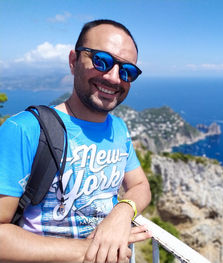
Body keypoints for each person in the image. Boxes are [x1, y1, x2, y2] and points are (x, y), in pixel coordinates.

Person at [0, 19, 152, 263]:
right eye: (102, 60)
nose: (114, 78)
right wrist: (89, 250)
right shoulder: (24, 129)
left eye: (127, 71)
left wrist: (121, 213)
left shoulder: (119, 129)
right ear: (73, 61)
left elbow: (140, 186)